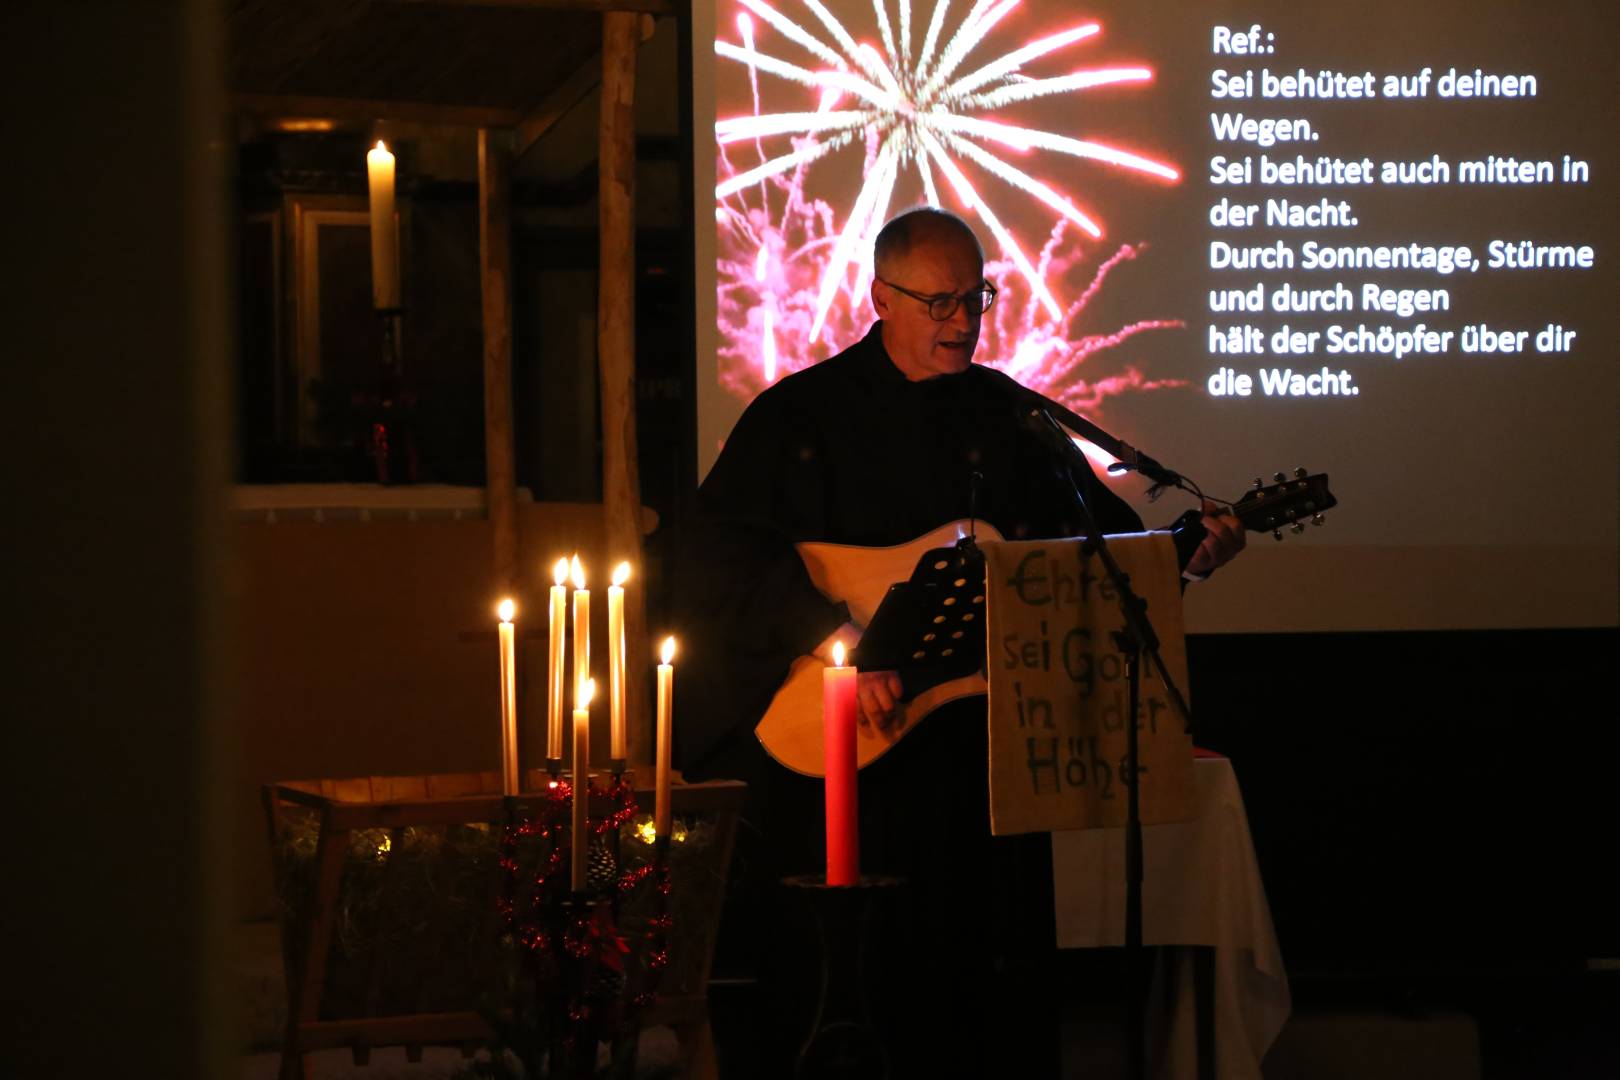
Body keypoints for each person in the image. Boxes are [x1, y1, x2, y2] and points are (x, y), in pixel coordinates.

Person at [676, 207, 1245, 1077]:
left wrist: (1187, 560)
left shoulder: (1014, 421)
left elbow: (1095, 552)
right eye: (938, 303)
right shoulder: (800, 415)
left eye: (974, 299)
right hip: (849, 768)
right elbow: (710, 551)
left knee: (984, 1005)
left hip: (980, 771)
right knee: (860, 997)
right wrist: (832, 636)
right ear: (880, 299)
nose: (962, 322)